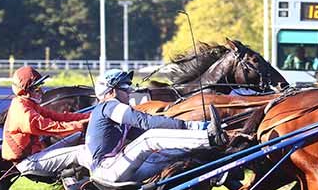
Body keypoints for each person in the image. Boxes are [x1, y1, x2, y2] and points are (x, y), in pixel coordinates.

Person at [84, 69, 227, 184]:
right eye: (125, 87)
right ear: (111, 92)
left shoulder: (113, 114)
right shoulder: (108, 106)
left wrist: (193, 130)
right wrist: (190, 126)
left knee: (172, 152)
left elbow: (149, 129)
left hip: (118, 168)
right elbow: (145, 122)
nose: (130, 91)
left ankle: (210, 153)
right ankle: (210, 137)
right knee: (149, 139)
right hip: (106, 170)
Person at [0, 66, 90, 190]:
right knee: (79, 151)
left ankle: (76, 182)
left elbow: (59, 116)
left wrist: (89, 116)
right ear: (27, 90)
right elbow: (52, 127)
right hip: (28, 163)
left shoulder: (28, 104)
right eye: (38, 88)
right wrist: (82, 124)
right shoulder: (23, 112)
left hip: (35, 155)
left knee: (78, 136)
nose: (42, 92)